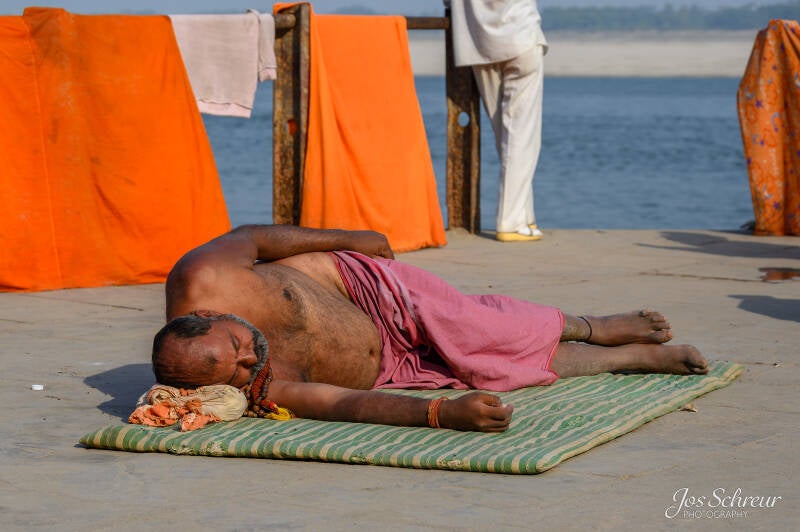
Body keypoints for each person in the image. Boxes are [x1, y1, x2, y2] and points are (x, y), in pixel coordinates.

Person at [152, 224, 708, 432]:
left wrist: (347, 238)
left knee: (486, 329)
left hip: (365, 288)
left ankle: (590, 325)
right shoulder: (244, 386)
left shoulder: (203, 274)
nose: (251, 359)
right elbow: (341, 403)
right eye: (238, 370)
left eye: (237, 345)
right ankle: (632, 357)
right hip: (391, 367)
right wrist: (442, 413)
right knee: (494, 371)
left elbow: (252, 237)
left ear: (206, 316)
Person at [446, 0, 548, 241]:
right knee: (521, 135)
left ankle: (523, 215)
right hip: (520, 35)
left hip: (477, 43)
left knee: (505, 135)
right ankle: (511, 221)